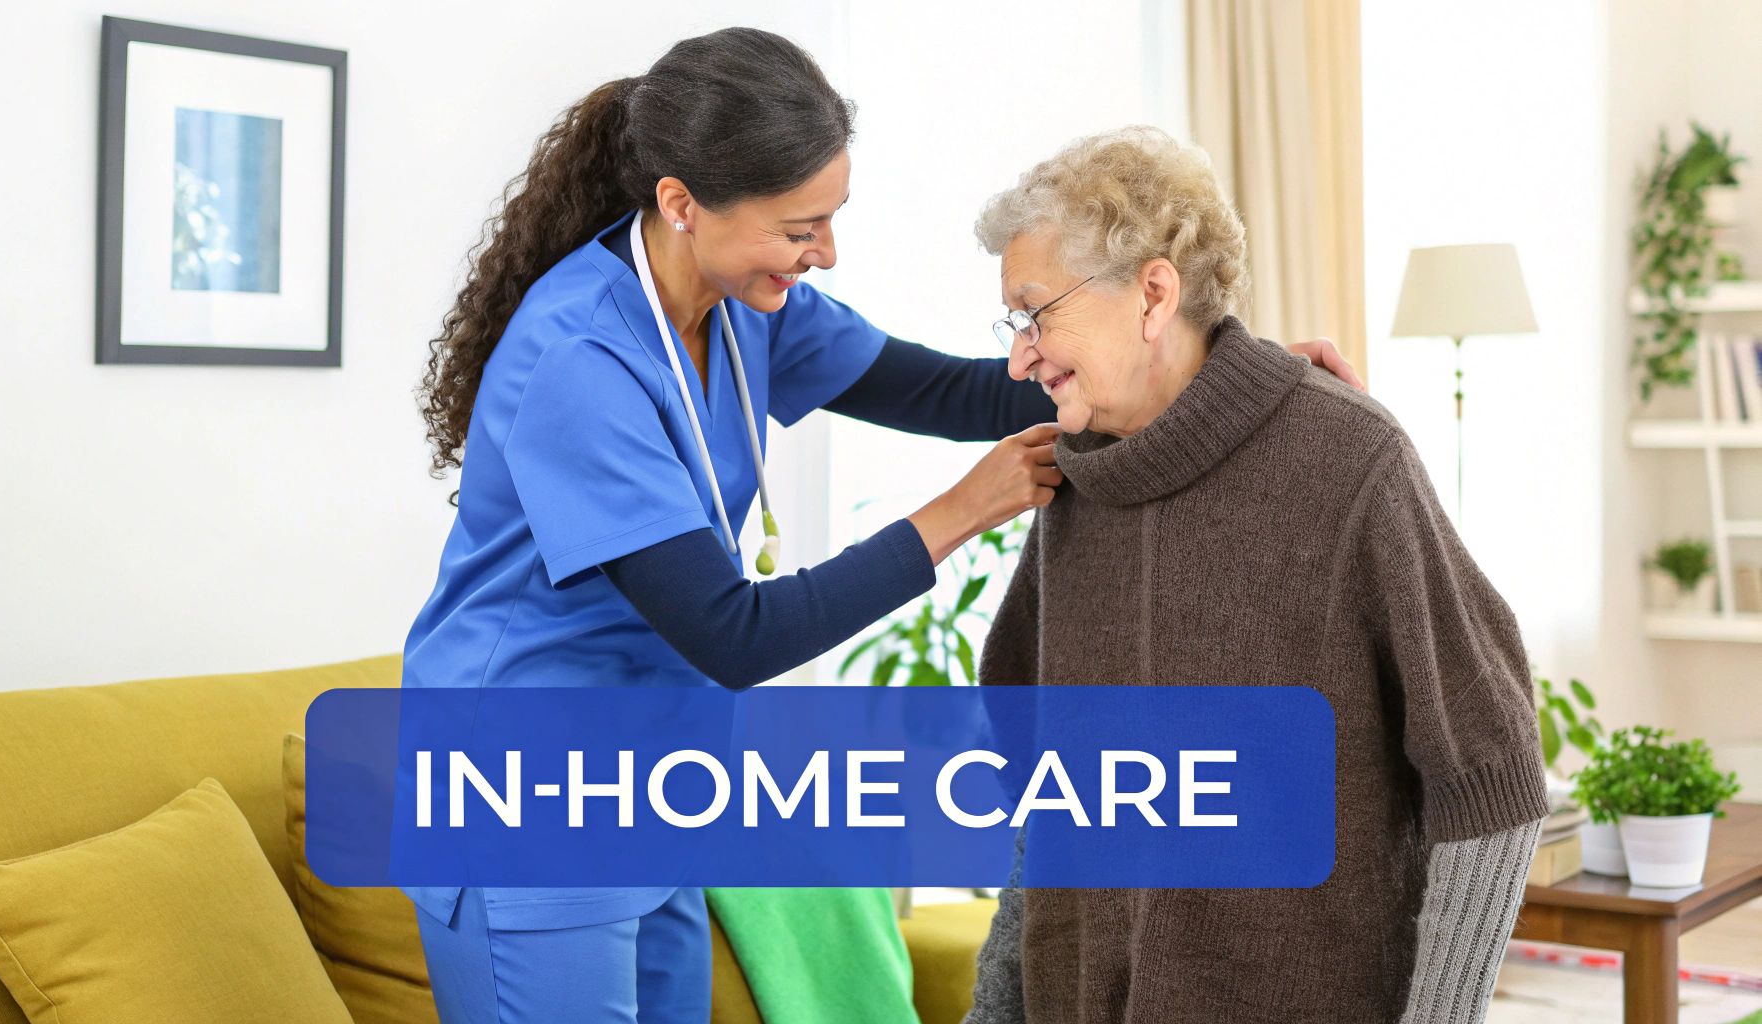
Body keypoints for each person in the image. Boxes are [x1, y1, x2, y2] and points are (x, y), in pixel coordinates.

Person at [405, 29, 1363, 1024]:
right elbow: (733, 634)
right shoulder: (577, 362)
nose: (823, 252)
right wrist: (965, 508)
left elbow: (946, 388)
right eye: (798, 227)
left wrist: (1196, 367)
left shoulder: (747, 306)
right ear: (681, 204)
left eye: (829, 217)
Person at [962, 126, 1548, 1024]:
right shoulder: (1074, 488)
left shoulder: (1350, 460)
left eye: (1037, 313)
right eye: (1014, 322)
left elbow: (1491, 774)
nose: (1019, 355)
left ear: (1154, 294)